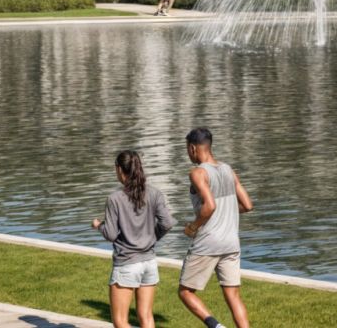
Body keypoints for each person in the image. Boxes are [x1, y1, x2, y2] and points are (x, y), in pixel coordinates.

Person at [178, 128, 253, 328]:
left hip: (208, 242)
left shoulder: (198, 173)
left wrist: (192, 227)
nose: (188, 153)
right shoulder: (229, 170)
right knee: (233, 295)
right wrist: (226, 210)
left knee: (185, 292)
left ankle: (216, 326)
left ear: (193, 148)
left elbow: (209, 206)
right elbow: (247, 205)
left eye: (187, 149)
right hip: (231, 242)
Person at [95, 149, 175, 328]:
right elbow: (167, 223)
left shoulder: (115, 198)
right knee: (146, 317)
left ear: (119, 169)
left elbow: (110, 234)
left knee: (120, 321)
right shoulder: (154, 193)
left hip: (127, 264)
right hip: (149, 263)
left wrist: (98, 225)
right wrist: (152, 237)